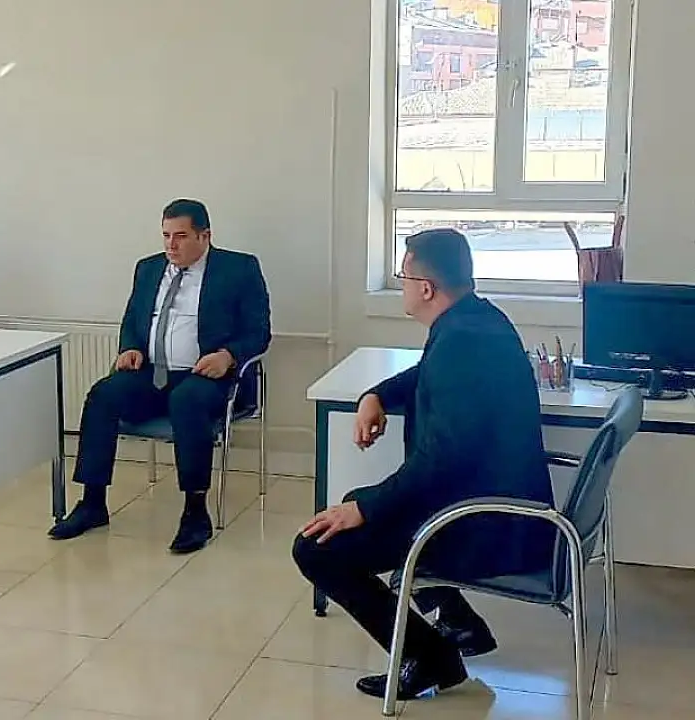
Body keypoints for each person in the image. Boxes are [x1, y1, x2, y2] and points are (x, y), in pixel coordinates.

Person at [292, 228, 556, 702]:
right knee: (359, 507)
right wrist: (376, 395)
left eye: (404, 276)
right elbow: (427, 375)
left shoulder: (461, 341)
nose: (402, 285)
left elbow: (442, 462)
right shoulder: (475, 321)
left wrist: (366, 508)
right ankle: (457, 620)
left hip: (486, 524)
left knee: (316, 548)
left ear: (427, 288)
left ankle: (432, 657)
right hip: (492, 500)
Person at [48, 199, 270, 554]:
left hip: (207, 375)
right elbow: (132, 319)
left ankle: (195, 511)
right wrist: (130, 347)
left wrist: (228, 356)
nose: (171, 245)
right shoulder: (148, 268)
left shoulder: (239, 269)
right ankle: (92, 502)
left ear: (205, 236)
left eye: (180, 236)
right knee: (103, 395)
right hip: (152, 373)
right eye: (166, 236)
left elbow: (259, 331)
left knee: (187, 400)